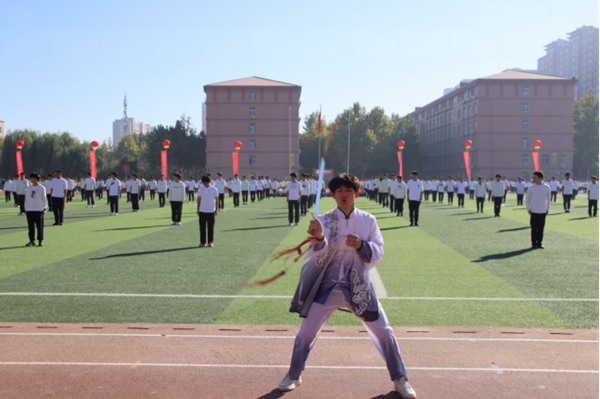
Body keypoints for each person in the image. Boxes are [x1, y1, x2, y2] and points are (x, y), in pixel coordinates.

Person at [280, 173, 416, 399]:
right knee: (306, 333)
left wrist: (362, 245)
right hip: (327, 288)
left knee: (384, 331)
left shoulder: (368, 220)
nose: (344, 195)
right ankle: (294, 375)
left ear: (357, 193)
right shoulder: (324, 219)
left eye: (348, 191)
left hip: (359, 286)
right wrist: (320, 236)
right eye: (339, 191)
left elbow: (379, 250)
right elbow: (315, 251)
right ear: (332, 194)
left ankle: (400, 379)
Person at [526, 171, 551, 249]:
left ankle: (539, 243)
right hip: (534, 211)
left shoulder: (546, 187)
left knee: (541, 228)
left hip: (543, 211)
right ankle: (533, 243)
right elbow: (527, 198)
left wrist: (547, 208)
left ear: (540, 178)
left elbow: (549, 199)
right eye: (533, 177)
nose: (533, 179)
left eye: (535, 177)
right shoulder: (531, 187)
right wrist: (528, 208)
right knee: (534, 228)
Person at [24, 173, 47, 247]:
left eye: (32, 178)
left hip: (38, 209)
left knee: (39, 226)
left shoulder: (41, 188)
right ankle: (32, 240)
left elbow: (44, 199)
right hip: (30, 209)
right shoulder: (28, 188)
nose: (31, 179)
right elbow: (26, 199)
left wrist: (44, 208)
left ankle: (40, 240)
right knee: (31, 226)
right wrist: (26, 208)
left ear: (35, 178)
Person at [197, 175, 219, 247]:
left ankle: (210, 242)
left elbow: (217, 199)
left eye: (205, 182)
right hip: (202, 210)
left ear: (209, 181)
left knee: (210, 228)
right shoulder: (201, 188)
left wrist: (216, 209)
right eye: (203, 183)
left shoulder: (214, 189)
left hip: (211, 211)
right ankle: (202, 242)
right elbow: (199, 199)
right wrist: (198, 210)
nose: (204, 184)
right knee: (202, 227)